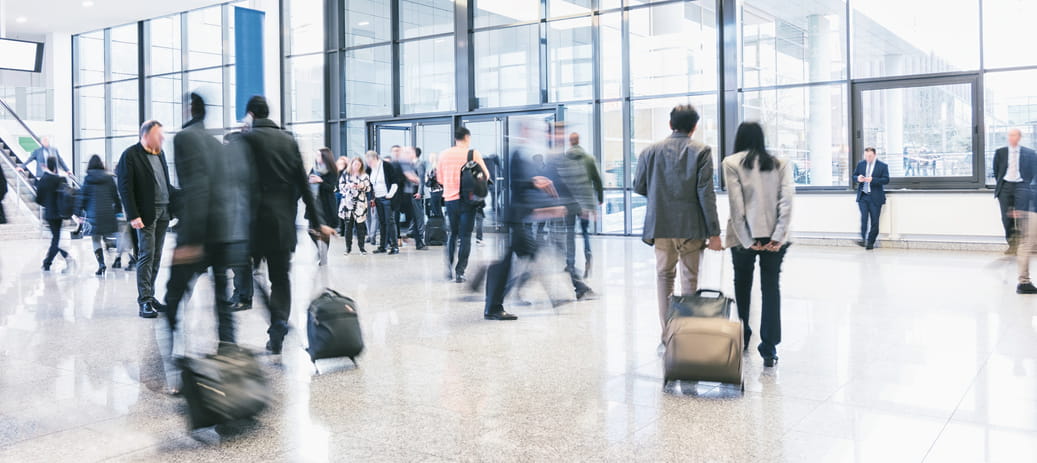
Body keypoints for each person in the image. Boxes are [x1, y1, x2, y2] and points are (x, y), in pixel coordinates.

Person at [240, 95, 333, 354]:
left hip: (253, 223)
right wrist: (318, 222)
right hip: (283, 224)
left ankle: (275, 319)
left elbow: (235, 182)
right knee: (281, 279)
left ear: (251, 114)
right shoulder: (288, 140)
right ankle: (278, 324)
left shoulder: (246, 139)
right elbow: (303, 184)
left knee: (247, 273)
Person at [164, 92, 254, 348]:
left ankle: (171, 362)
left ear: (189, 109)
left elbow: (197, 189)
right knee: (221, 300)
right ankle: (229, 352)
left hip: (198, 233)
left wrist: (188, 240)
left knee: (174, 297)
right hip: (222, 232)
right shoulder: (215, 143)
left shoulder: (184, 138)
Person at [633, 104, 722, 336]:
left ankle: (668, 333)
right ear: (694, 127)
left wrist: (660, 195)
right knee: (689, 279)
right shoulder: (701, 151)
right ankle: (687, 334)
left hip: (660, 224)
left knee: (664, 276)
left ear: (670, 124)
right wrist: (714, 232)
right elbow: (706, 193)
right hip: (691, 227)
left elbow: (639, 186)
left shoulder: (649, 152)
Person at [723, 122, 794, 368]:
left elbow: (736, 206)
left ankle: (744, 336)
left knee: (742, 285)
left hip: (744, 236)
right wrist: (777, 235)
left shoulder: (731, 163)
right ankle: (769, 347)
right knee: (771, 287)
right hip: (774, 236)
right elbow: (786, 201)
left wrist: (747, 240)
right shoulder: (779, 163)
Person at [483, 122, 568, 320]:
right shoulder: (516, 154)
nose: (533, 134)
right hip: (515, 219)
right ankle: (493, 306)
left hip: (519, 218)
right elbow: (517, 185)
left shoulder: (524, 157)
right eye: (530, 130)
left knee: (529, 257)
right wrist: (534, 182)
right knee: (512, 262)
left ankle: (497, 304)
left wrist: (544, 206)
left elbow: (525, 190)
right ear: (523, 131)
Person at [116, 120, 177, 319]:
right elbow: (125, 188)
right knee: (146, 255)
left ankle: (150, 296)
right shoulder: (130, 155)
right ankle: (144, 301)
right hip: (145, 214)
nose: (162, 138)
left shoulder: (160, 154)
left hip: (164, 211)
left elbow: (165, 183)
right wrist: (133, 215)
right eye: (158, 135)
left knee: (157, 257)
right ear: (145, 135)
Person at [437, 127, 490, 282]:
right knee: (465, 236)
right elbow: (485, 175)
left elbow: (440, 179)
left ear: (455, 138)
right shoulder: (473, 154)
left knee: (452, 234)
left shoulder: (444, 154)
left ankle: (448, 269)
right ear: (467, 137)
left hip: (450, 200)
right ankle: (460, 272)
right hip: (468, 200)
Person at [77, 154, 121, 276]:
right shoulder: (109, 178)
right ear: (101, 165)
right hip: (108, 214)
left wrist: (79, 213)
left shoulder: (88, 179)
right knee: (111, 235)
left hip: (93, 215)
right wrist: (118, 210)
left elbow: (82, 197)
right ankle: (116, 255)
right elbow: (115, 196)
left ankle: (101, 264)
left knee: (95, 239)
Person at [994, 128, 1036, 255]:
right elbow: (996, 171)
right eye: (1010, 135)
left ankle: (1023, 245)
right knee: (1007, 217)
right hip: (1005, 186)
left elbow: (1034, 170)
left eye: (1014, 135)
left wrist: (1026, 182)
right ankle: (1012, 244)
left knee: (1022, 216)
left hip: (1022, 186)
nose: (1012, 138)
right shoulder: (1000, 152)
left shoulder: (1029, 153)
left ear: (1019, 137)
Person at [567, 133, 603, 278]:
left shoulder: (565, 159)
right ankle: (588, 257)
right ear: (578, 141)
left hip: (569, 202)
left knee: (569, 233)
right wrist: (599, 198)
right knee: (585, 231)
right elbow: (597, 180)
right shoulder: (589, 159)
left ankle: (570, 263)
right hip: (585, 203)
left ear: (570, 142)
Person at [35, 156, 76, 273]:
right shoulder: (59, 179)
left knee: (55, 238)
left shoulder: (43, 180)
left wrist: (47, 204)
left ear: (47, 166)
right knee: (56, 239)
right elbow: (68, 195)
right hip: (59, 213)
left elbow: (38, 199)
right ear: (55, 166)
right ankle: (47, 262)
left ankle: (61, 257)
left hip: (48, 213)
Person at [853, 147, 890, 250]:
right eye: (866, 156)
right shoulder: (861, 164)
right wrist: (858, 178)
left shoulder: (882, 166)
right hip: (863, 196)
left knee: (874, 221)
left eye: (869, 156)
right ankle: (863, 239)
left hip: (875, 197)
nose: (867, 158)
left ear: (874, 155)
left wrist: (873, 180)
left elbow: (886, 180)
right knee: (864, 218)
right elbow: (854, 176)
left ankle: (870, 242)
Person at [367, 150, 402, 255]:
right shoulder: (370, 169)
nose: (369, 163)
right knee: (382, 223)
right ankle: (383, 246)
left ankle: (394, 246)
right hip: (377, 198)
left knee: (390, 222)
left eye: (370, 161)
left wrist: (390, 194)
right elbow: (370, 184)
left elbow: (395, 182)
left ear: (375, 158)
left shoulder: (386, 166)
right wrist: (372, 197)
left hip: (387, 197)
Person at [309, 148, 340, 266]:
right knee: (310, 230)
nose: (316, 157)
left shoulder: (332, 170)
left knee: (325, 232)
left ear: (325, 157)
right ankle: (320, 250)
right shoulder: (314, 169)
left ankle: (323, 257)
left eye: (318, 155)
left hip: (326, 204)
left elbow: (331, 188)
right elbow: (308, 179)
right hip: (314, 202)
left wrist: (320, 181)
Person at [339, 157, 371, 255]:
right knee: (348, 227)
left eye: (358, 164)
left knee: (360, 227)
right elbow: (340, 187)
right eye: (355, 164)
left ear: (361, 165)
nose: (356, 166)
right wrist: (348, 186)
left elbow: (368, 188)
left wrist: (362, 186)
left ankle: (362, 248)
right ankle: (348, 248)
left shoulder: (365, 175)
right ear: (351, 164)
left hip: (360, 204)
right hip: (347, 204)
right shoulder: (345, 174)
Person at [398, 147, 427, 250]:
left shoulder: (419, 164)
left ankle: (420, 234)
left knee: (418, 215)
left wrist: (419, 192)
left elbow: (421, 179)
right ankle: (412, 233)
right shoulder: (409, 164)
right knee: (414, 215)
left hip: (415, 193)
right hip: (409, 193)